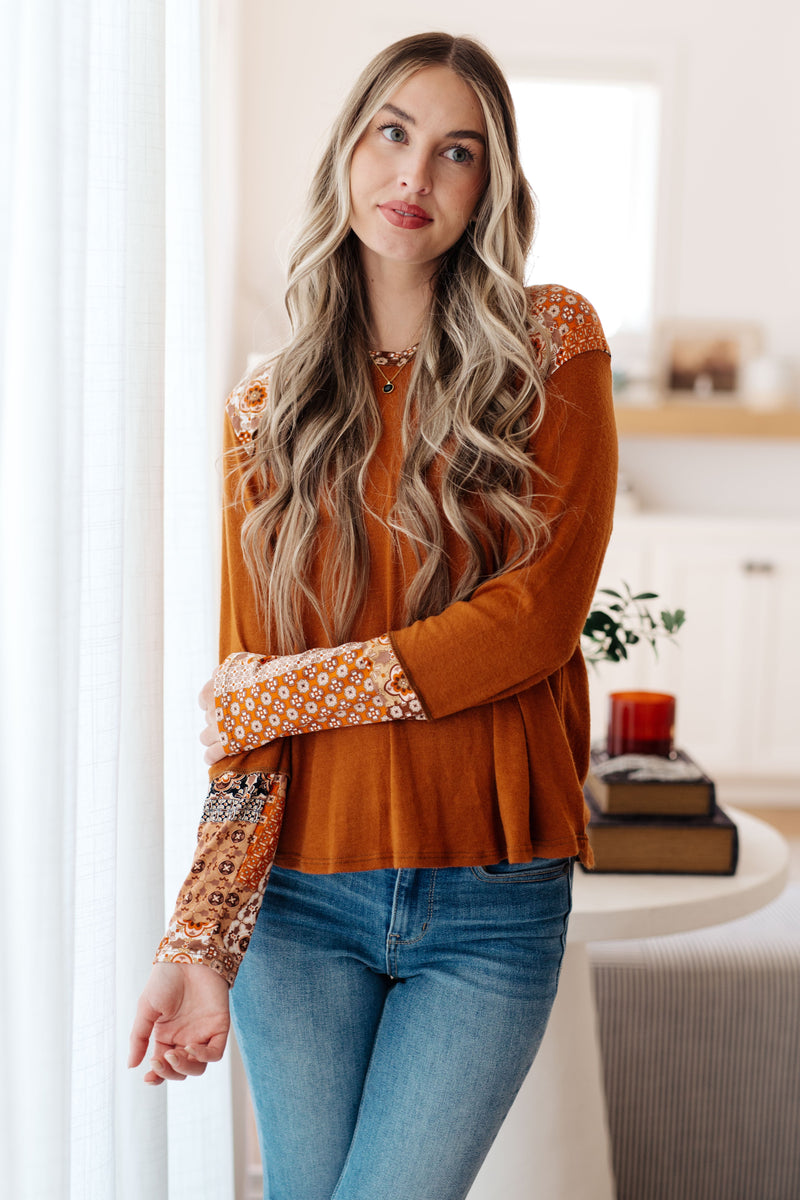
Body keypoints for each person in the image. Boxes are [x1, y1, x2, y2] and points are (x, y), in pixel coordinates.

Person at [129, 30, 617, 1200]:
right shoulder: (268, 405)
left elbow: (533, 621)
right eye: (391, 133)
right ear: (346, 149)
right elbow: (242, 715)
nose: (414, 176)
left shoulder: (551, 344)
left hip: (489, 900)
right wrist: (198, 943)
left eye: (456, 153)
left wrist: (291, 685)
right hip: (301, 898)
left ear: (487, 187)